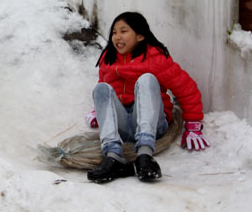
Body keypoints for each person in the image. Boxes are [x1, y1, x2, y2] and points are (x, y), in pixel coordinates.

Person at [85, 11, 209, 183]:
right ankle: (113, 156)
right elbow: (107, 89)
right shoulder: (109, 58)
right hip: (123, 127)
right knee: (100, 88)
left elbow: (186, 89)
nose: (117, 37)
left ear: (141, 35)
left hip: (152, 124)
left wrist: (193, 124)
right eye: (114, 32)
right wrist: (99, 111)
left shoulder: (156, 59)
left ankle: (144, 156)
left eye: (123, 31)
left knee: (147, 79)